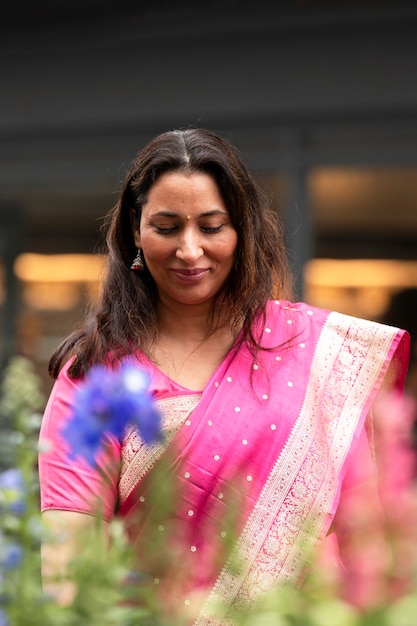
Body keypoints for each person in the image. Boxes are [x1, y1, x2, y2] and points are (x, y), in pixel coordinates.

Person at [38, 128, 412, 624]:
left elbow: (371, 541)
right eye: (167, 227)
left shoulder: (313, 351)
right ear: (134, 230)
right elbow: (68, 568)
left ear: (242, 231)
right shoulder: (98, 376)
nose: (190, 250)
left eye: (212, 227)